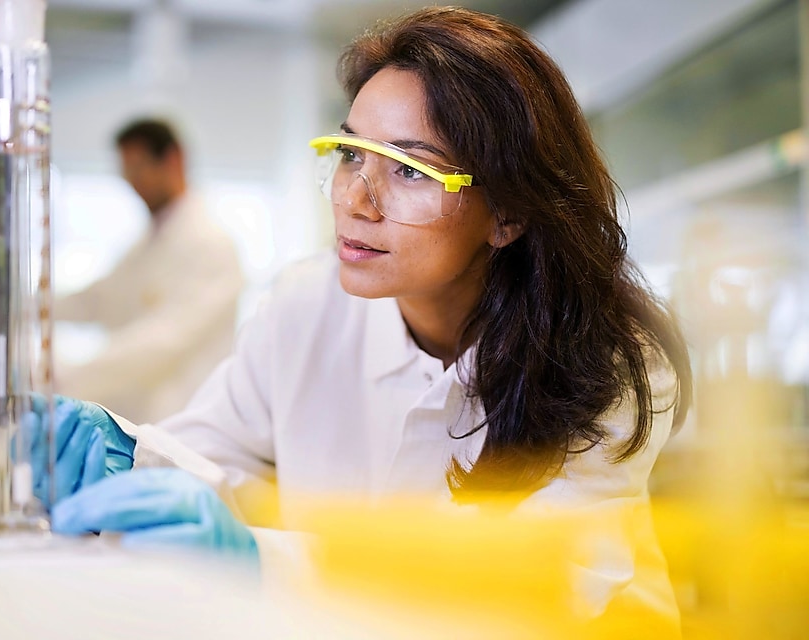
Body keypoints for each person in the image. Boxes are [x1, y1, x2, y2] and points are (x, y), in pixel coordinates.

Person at [36, 7, 692, 627]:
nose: (356, 198)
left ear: (509, 214)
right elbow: (217, 461)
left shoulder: (604, 361)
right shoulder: (306, 304)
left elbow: (528, 575)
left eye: (408, 170)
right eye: (350, 153)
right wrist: (128, 455)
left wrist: (258, 558)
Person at [53, 118, 245, 424]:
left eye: (140, 167)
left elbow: (163, 339)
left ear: (174, 159)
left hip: (187, 423)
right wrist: (19, 303)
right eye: (127, 170)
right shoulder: (146, 245)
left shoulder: (210, 245)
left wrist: (71, 375)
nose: (134, 181)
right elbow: (98, 300)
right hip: (145, 423)